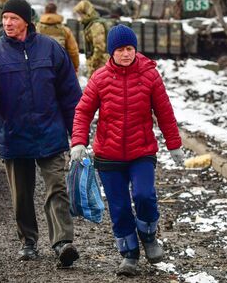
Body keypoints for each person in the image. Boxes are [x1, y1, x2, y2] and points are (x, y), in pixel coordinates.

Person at [0, 0, 82, 267]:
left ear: (27, 22)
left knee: (56, 187)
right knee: (21, 194)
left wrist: (77, 133)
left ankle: (63, 242)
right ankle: (28, 241)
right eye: (5, 18)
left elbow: (69, 94)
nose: (7, 23)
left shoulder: (50, 49)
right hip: (14, 134)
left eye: (13, 19)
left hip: (49, 131)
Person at [69, 24, 185, 276]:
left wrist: (174, 144)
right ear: (112, 52)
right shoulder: (99, 78)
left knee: (144, 195)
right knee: (119, 207)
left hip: (141, 151)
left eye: (130, 48)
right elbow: (83, 111)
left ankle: (149, 236)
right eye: (120, 49)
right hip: (108, 155)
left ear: (135, 49)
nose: (126, 54)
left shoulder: (150, 76)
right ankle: (129, 254)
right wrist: (79, 141)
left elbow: (165, 113)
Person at [36, 2, 80, 74]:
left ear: (45, 11)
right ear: (56, 11)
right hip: (60, 66)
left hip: (41, 67)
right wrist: (75, 66)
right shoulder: (65, 30)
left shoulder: (37, 29)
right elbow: (73, 51)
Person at [73, 0, 110, 78]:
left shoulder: (96, 25)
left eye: (80, 14)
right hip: (98, 64)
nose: (79, 17)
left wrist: (92, 62)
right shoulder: (90, 24)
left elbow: (100, 47)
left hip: (100, 64)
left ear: (86, 13)